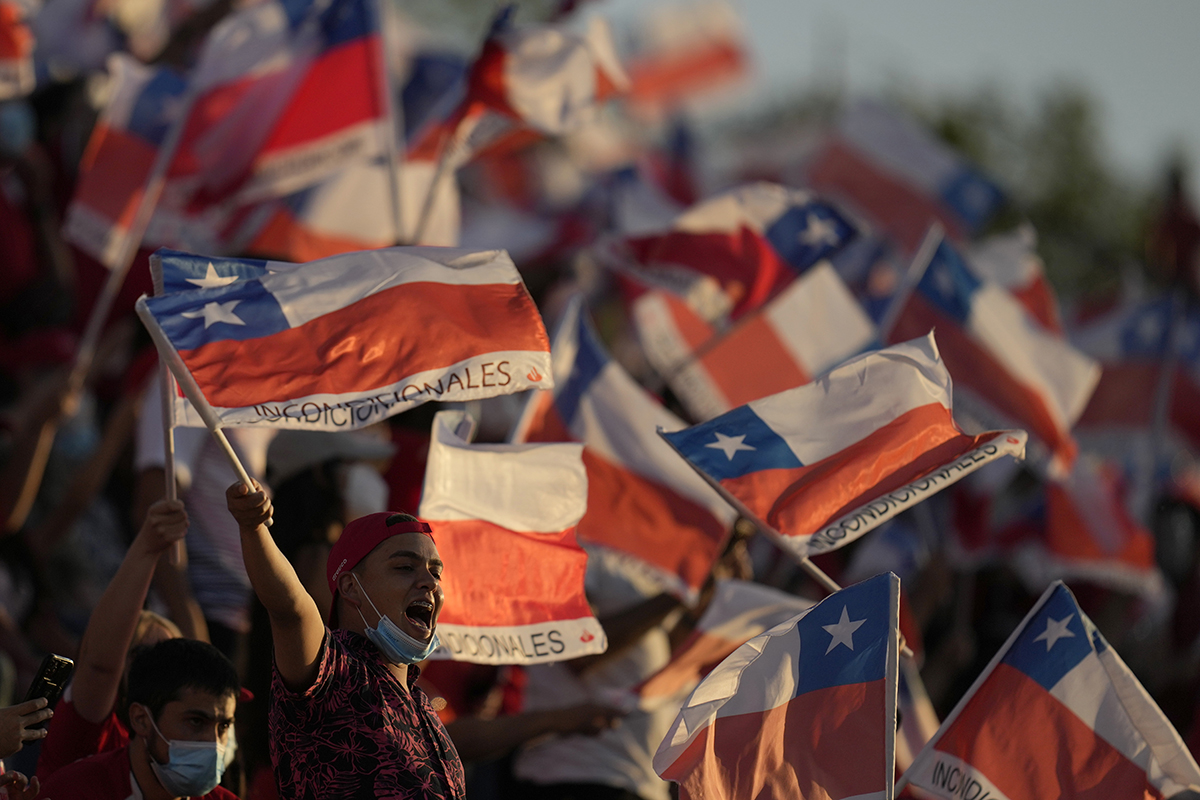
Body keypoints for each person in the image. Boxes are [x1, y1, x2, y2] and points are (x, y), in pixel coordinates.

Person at [226, 481, 465, 799]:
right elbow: (290, 608)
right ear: (351, 587)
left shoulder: (423, 704)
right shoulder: (332, 671)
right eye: (405, 567)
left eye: (436, 572)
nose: (430, 583)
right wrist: (253, 527)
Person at [37, 498, 186, 779]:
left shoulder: (195, 764)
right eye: (141, 654)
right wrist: (147, 546)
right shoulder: (90, 729)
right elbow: (99, 668)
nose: (159, 666)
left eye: (170, 655)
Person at [39, 638, 240, 800]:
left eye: (223, 726)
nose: (213, 743)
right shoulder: (74, 791)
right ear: (141, 719)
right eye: (196, 721)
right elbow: (98, 668)